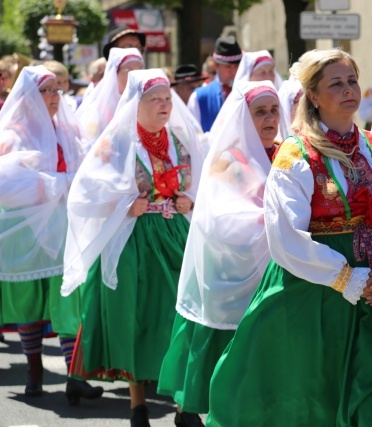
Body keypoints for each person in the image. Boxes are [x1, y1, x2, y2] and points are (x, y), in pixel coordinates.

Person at [207, 48, 372, 427]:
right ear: (313, 96)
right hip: (317, 292)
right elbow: (285, 234)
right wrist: (346, 277)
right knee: (319, 399)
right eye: (336, 84)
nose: (349, 90)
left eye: (352, 81)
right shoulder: (296, 152)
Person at [62, 69, 204, 427]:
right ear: (135, 104)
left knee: (181, 320)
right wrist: (124, 205)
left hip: (175, 237)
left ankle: (184, 408)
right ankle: (137, 403)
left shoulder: (179, 139)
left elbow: (205, 182)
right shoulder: (119, 143)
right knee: (137, 319)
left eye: (168, 99)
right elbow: (86, 193)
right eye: (155, 99)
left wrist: (190, 200)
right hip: (134, 241)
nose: (164, 106)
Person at [157, 80, 281, 427]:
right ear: (243, 117)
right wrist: (272, 222)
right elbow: (220, 217)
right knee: (223, 347)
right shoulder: (228, 159)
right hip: (231, 271)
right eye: (260, 112)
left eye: (274, 111)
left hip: (274, 269)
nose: (270, 118)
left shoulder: (286, 153)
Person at [0, 65, 103, 403]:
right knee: (30, 300)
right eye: (46, 91)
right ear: (30, 95)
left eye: (57, 90)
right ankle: (34, 371)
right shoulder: (13, 133)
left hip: (62, 225)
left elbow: (83, 163)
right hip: (27, 230)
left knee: (69, 296)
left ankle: (74, 376)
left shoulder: (66, 129)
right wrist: (54, 184)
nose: (54, 97)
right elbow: (6, 183)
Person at [75, 47, 143, 149]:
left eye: (139, 69)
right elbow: (90, 146)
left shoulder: (145, 102)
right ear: (115, 74)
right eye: (128, 70)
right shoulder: (99, 109)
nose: (135, 75)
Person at [188, 36, 242, 131]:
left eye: (236, 66)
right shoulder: (199, 97)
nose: (233, 71)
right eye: (228, 66)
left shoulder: (245, 93)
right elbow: (193, 134)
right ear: (215, 65)